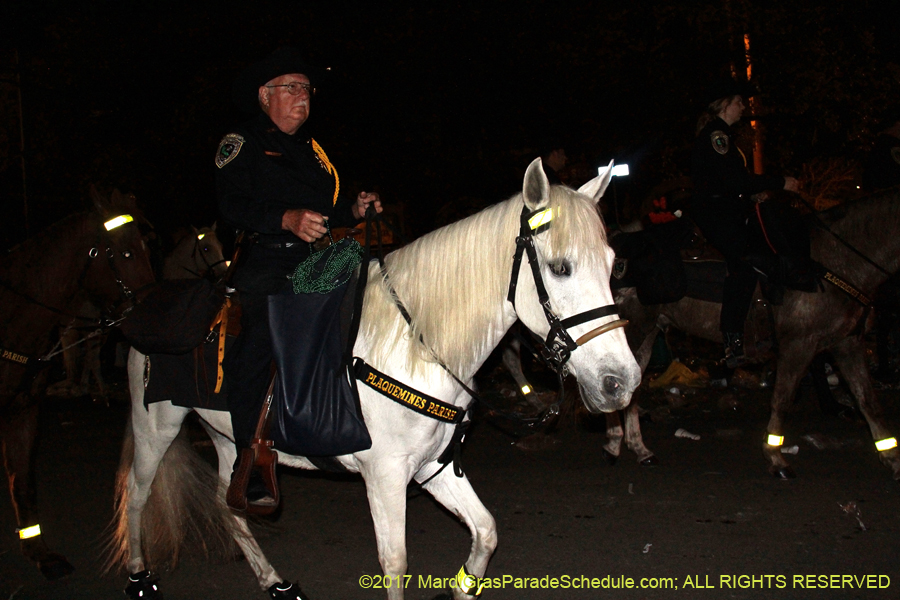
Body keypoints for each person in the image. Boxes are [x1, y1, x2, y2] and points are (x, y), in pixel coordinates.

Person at [215, 47, 382, 517]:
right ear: (265, 96)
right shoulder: (241, 140)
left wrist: (354, 209)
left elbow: (325, 206)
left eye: (306, 89)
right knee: (262, 343)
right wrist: (283, 219)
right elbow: (231, 205)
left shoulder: (313, 152)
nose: (302, 97)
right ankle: (250, 459)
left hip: (316, 261)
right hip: (265, 263)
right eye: (292, 88)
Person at [690, 78, 799, 368]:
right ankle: (732, 338)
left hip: (726, 207)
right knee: (746, 261)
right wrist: (780, 182)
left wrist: (755, 192)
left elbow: (732, 180)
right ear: (725, 105)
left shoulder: (722, 134)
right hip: (715, 212)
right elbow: (733, 180)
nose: (743, 107)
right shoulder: (717, 135)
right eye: (739, 102)